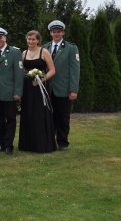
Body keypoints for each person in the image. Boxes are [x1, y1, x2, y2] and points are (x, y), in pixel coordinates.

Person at [0, 26, 23, 155]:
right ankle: (1, 143)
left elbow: (19, 74)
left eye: (0, 37)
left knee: (11, 119)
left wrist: (18, 92)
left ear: (5, 37)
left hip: (9, 92)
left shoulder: (14, 52)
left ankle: (9, 145)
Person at [43, 20, 80, 151]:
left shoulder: (71, 48)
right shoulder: (45, 47)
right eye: (54, 32)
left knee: (63, 117)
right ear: (50, 33)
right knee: (49, 117)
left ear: (63, 33)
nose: (56, 34)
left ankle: (63, 142)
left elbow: (75, 70)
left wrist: (73, 90)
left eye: (59, 31)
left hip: (63, 89)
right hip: (48, 89)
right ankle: (50, 142)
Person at [19, 30, 57, 153]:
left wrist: (42, 79)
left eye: (33, 39)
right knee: (28, 113)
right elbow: (22, 70)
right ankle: (27, 145)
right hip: (27, 88)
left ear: (38, 40)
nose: (31, 41)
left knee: (39, 114)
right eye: (29, 39)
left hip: (40, 87)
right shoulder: (24, 53)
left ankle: (42, 144)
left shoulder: (44, 52)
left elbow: (52, 70)